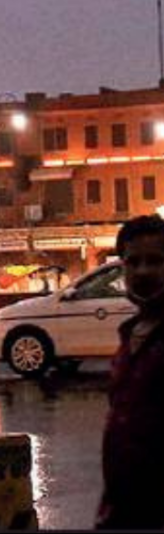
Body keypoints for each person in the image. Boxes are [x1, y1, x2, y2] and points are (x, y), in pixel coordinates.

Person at [96, 215, 164, 529]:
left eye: (155, 261)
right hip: (122, 510)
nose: (143, 271)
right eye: (133, 262)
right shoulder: (130, 334)